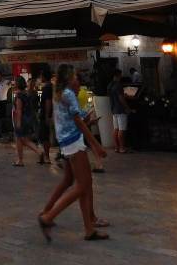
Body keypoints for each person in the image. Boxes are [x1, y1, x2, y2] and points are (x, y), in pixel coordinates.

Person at [38, 65, 109, 243]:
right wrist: (96, 145)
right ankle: (48, 217)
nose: (78, 79)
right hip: (73, 141)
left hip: (66, 141)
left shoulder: (60, 93)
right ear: (69, 78)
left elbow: (71, 116)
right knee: (82, 186)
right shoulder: (68, 94)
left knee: (78, 183)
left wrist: (86, 118)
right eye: (75, 77)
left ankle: (88, 229)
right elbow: (77, 122)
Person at [12, 76, 41, 166]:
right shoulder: (26, 94)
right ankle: (20, 160)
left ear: (17, 84)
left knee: (22, 139)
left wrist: (18, 122)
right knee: (21, 140)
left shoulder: (19, 96)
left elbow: (19, 110)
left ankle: (39, 152)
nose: (14, 83)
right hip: (28, 119)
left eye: (15, 81)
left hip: (22, 120)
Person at [109, 69, 130, 154]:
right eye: (120, 75)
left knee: (116, 129)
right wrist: (127, 107)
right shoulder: (118, 85)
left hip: (114, 109)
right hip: (120, 109)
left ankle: (116, 147)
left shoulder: (110, 85)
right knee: (122, 129)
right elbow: (121, 98)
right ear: (118, 75)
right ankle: (122, 148)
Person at [37, 68, 54, 165]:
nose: (40, 78)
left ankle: (47, 156)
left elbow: (48, 102)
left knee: (44, 136)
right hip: (46, 114)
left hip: (45, 115)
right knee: (43, 136)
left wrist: (47, 115)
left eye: (41, 76)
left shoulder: (47, 88)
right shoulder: (51, 86)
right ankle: (44, 155)